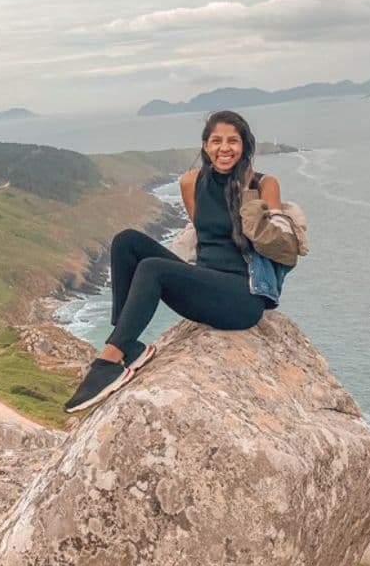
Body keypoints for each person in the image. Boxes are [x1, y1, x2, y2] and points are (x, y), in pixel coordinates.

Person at [63, 109, 292, 413]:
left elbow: (278, 246)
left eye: (233, 141)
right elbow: (204, 236)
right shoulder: (190, 183)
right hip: (207, 285)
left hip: (243, 297)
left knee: (152, 269)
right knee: (126, 241)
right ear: (205, 146)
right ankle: (128, 344)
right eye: (216, 141)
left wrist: (249, 195)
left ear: (245, 146)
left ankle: (108, 361)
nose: (224, 148)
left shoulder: (264, 185)